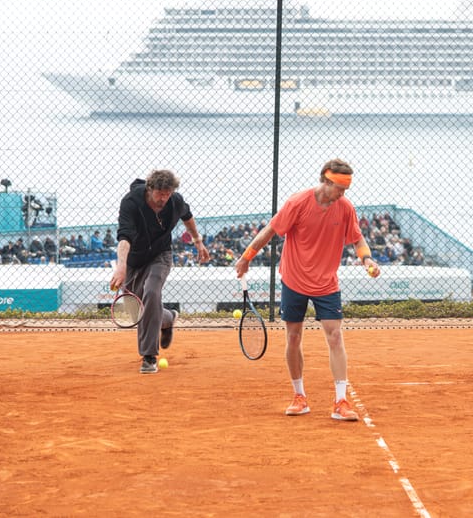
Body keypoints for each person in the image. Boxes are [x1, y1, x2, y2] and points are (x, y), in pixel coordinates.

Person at [234, 158, 380, 421]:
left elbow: (357, 238)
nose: (343, 194)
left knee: (335, 336)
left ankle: (340, 401)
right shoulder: (297, 202)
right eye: (339, 188)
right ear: (325, 180)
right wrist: (247, 257)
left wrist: (366, 259)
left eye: (346, 189)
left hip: (326, 282)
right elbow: (270, 230)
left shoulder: (345, 207)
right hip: (294, 279)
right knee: (293, 337)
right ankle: (299, 396)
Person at [110, 169, 211, 374]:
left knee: (152, 292)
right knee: (133, 308)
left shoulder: (175, 201)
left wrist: (198, 242)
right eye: (160, 193)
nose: (163, 198)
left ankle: (149, 356)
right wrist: (122, 266)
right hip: (134, 259)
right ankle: (167, 318)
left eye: (168, 193)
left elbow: (188, 217)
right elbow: (124, 237)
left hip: (160, 255)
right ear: (150, 189)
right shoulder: (130, 202)